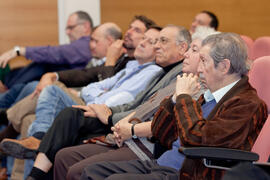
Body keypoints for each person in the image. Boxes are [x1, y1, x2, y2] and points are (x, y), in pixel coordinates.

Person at [6, 25, 191, 180]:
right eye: (154, 41)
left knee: (52, 96)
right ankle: (28, 161)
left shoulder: (175, 76)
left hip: (137, 137)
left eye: (160, 41)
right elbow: (120, 95)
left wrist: (112, 117)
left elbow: (140, 107)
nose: (156, 45)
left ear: (183, 48)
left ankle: (23, 137)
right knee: (36, 111)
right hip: (115, 117)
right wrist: (108, 111)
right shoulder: (156, 71)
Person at [79, 32, 268, 180]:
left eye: (203, 61)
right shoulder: (207, 95)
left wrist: (185, 98)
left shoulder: (246, 104)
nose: (199, 68)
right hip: (162, 164)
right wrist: (174, 100)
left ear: (224, 66)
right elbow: (161, 132)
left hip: (187, 174)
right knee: (92, 172)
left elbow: (195, 139)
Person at [50, 26, 218, 180]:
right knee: (64, 156)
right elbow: (143, 106)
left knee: (80, 169)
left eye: (193, 50)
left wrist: (128, 128)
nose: (187, 54)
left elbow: (172, 125)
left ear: (208, 60)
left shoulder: (199, 89)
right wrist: (121, 124)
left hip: (147, 146)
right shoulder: (180, 80)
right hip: (130, 136)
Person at [0, 15, 154, 142]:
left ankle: (7, 118)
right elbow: (86, 75)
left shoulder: (138, 65)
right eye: (130, 27)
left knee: (45, 88)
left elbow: (109, 92)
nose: (129, 32)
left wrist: (110, 61)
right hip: (86, 99)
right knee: (29, 117)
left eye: (137, 30)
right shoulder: (129, 61)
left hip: (100, 112)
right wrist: (54, 76)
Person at [0, 11, 93, 89]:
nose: (67, 32)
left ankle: (6, 83)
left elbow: (55, 53)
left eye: (71, 28)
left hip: (63, 87)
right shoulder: (81, 46)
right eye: (67, 28)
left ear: (85, 26)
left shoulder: (86, 44)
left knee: (32, 81)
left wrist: (19, 51)